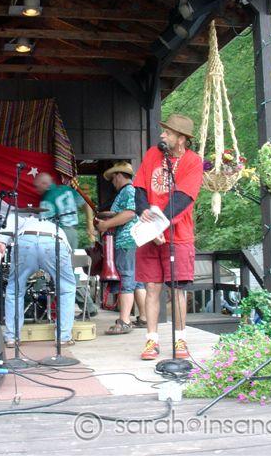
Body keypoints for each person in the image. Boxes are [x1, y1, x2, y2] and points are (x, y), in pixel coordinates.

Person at [132, 114, 203, 360]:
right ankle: (151, 341)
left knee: (177, 289)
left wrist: (158, 228)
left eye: (168, 132)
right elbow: (139, 188)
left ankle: (180, 339)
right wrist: (143, 212)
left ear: (181, 139)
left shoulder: (193, 162)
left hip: (177, 235)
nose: (162, 135)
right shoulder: (153, 154)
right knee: (151, 287)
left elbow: (182, 199)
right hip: (149, 233)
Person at [0, 215, 76, 348]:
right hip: (54, 241)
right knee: (66, 290)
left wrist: (1, 242)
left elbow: (11, 219)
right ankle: (63, 337)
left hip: (25, 241)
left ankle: (12, 338)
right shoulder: (55, 224)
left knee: (14, 291)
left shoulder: (24, 219)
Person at [94, 162, 146, 335]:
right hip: (134, 240)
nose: (112, 182)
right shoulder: (130, 191)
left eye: (113, 178)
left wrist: (105, 225)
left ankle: (124, 321)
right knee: (137, 280)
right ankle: (143, 317)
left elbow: (130, 213)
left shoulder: (128, 191)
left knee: (126, 279)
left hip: (126, 241)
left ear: (118, 175)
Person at [34, 172, 86, 249]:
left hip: (58, 234)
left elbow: (44, 223)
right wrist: (90, 223)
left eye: (37, 186)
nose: (36, 190)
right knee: (70, 256)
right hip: (73, 232)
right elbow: (85, 202)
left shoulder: (47, 198)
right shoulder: (67, 189)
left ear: (44, 184)